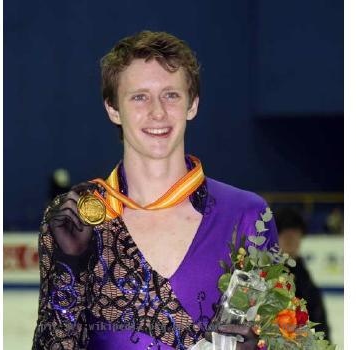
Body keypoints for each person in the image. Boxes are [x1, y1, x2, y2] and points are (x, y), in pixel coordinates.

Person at [32, 30, 278, 350]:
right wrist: (69, 273)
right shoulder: (77, 216)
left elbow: (284, 332)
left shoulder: (246, 216)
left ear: (193, 104)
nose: (158, 112)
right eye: (139, 96)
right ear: (112, 109)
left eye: (171, 95)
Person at [275, 207, 330, 340]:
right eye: (286, 236)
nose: (291, 240)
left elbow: (319, 318)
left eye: (295, 235)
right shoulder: (268, 273)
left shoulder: (303, 275)